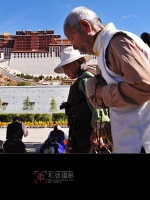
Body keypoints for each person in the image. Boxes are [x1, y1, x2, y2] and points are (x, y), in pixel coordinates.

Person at [63, 6, 150, 153]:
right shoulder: (105, 48)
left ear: (85, 26)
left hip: (140, 142)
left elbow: (143, 86)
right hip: (131, 141)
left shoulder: (117, 41)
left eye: (72, 38)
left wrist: (102, 93)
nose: (74, 46)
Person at [54, 46, 111, 153]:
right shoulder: (82, 79)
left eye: (65, 67)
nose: (64, 72)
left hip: (88, 140)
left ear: (75, 63)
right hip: (81, 138)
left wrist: (96, 135)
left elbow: (98, 109)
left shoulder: (86, 79)